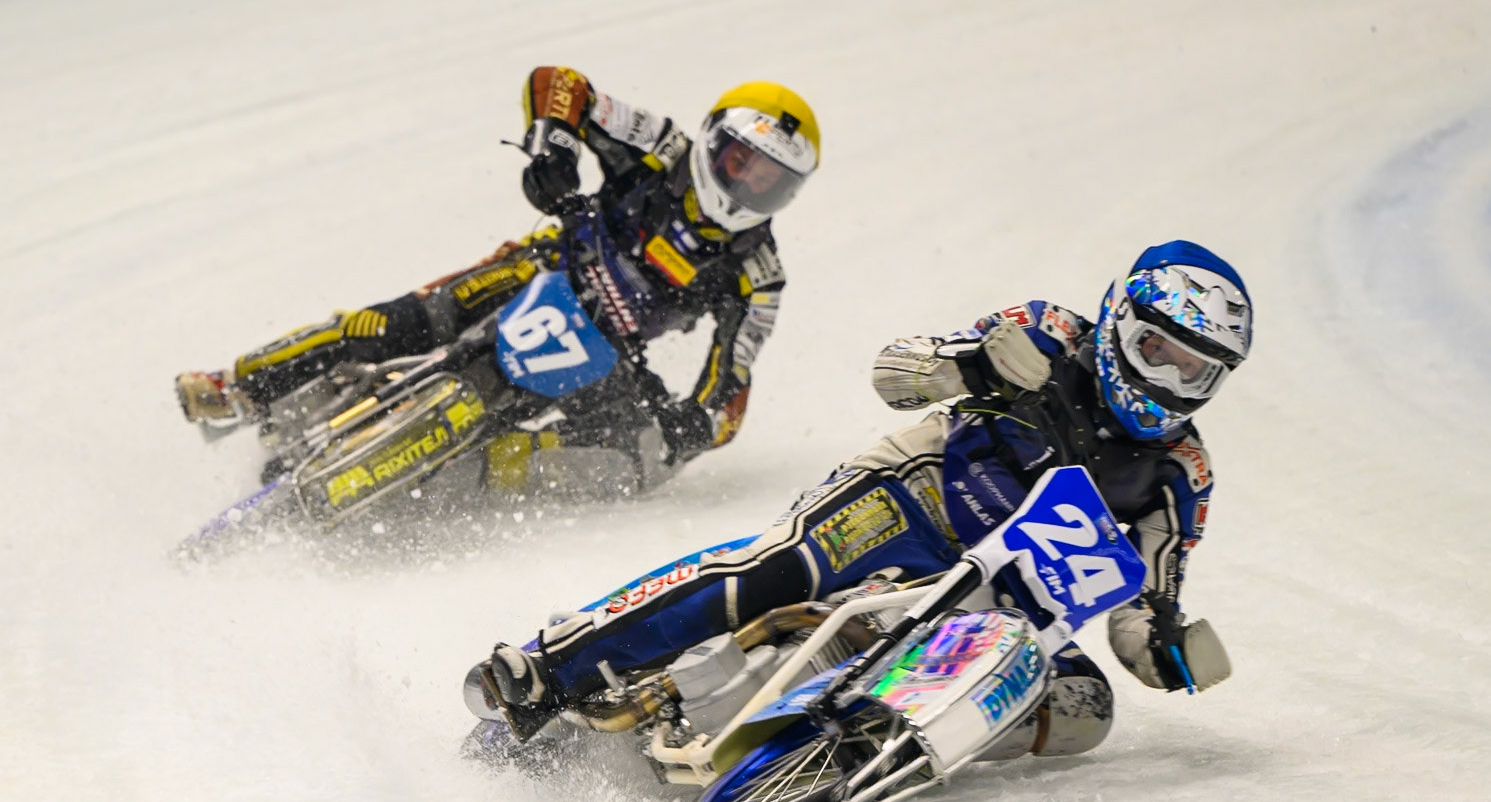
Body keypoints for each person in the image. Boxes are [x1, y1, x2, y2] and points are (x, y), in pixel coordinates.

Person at [478, 240, 1253, 744]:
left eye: (1195, 369)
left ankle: (862, 748)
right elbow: (897, 367)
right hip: (919, 494)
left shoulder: (1181, 469)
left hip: (1009, 602)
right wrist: (968, 369)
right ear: (1122, 318)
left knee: (1086, 712)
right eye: (1158, 349)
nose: (1169, 379)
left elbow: (1144, 597)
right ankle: (549, 665)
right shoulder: (1051, 331)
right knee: (772, 569)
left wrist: (1158, 647)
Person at [175, 67, 821, 496]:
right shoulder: (662, 146)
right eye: (741, 161)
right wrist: (552, 152)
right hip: (544, 266)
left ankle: (466, 489)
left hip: (611, 359)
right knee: (404, 321)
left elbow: (732, 381)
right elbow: (561, 84)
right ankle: (236, 387)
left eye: (769, 179)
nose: (748, 183)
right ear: (714, 142)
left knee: (637, 465)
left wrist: (696, 423)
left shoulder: (757, 274)